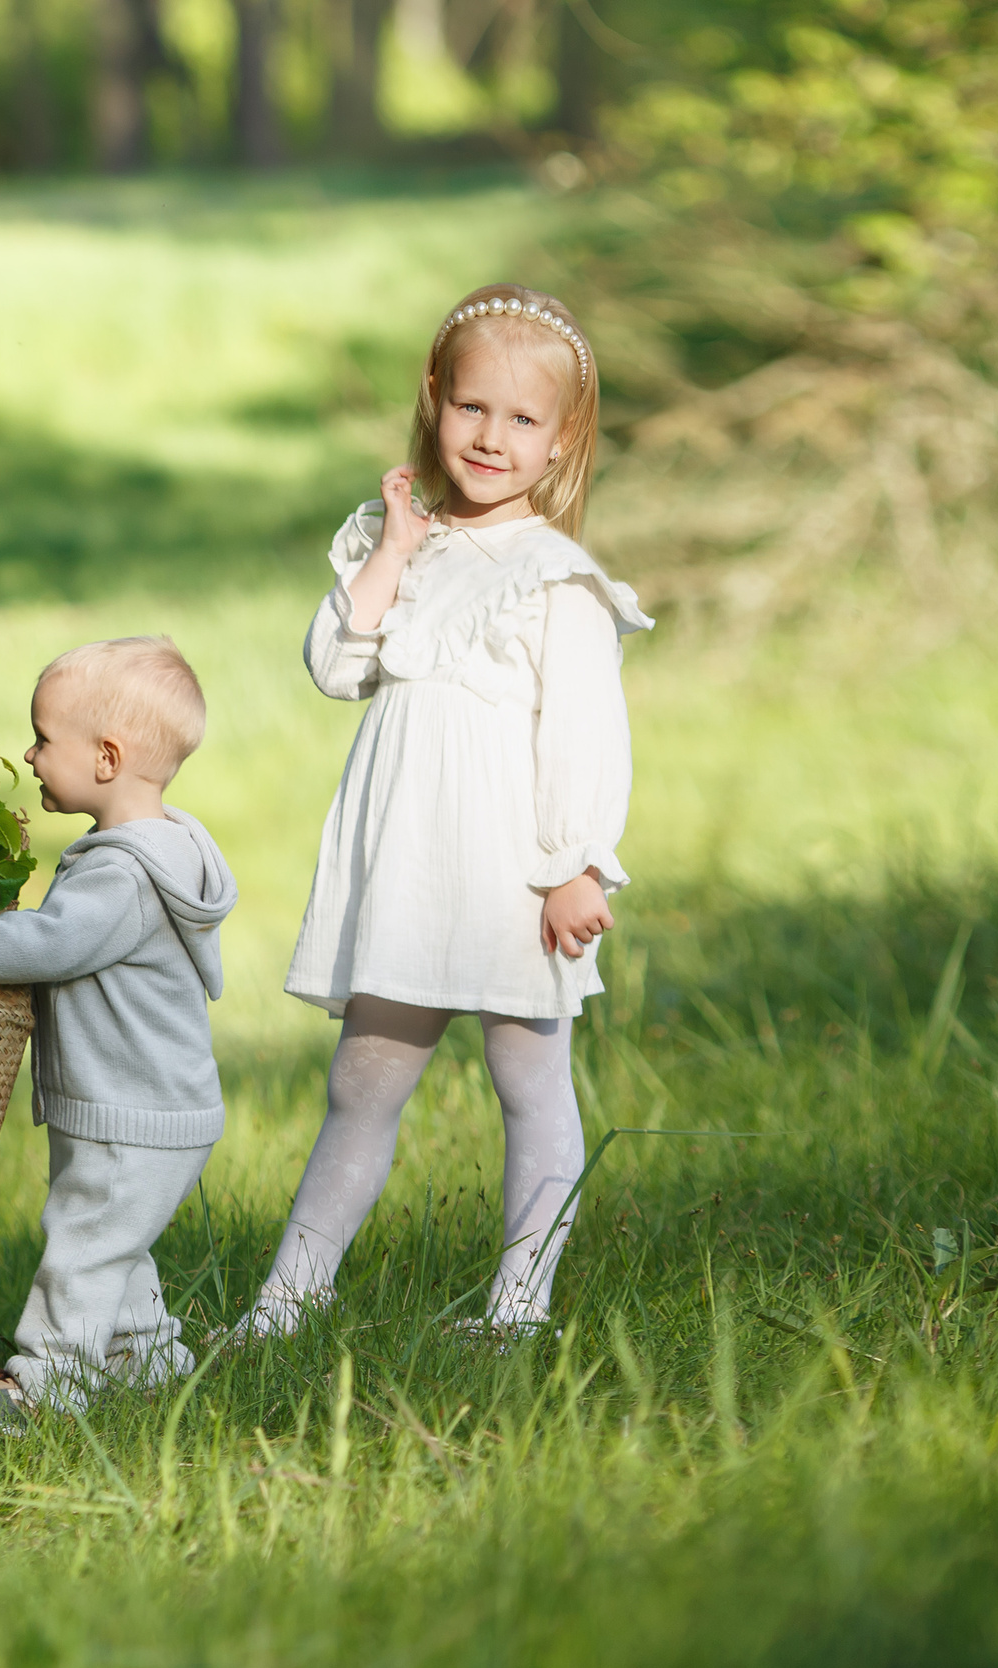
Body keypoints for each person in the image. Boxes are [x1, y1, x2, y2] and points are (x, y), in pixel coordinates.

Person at [227, 284, 652, 1344]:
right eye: (472, 409)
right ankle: (286, 1301)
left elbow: (587, 733)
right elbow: (335, 668)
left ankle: (518, 1307)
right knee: (361, 1083)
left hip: (513, 866)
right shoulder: (398, 544)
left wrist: (575, 863)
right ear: (433, 402)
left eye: (521, 420)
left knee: (529, 1080)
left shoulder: (556, 578)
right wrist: (391, 551)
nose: (490, 437)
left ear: (560, 442)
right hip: (409, 863)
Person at [0, 637, 238, 1429]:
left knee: (85, 1241)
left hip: (133, 1112)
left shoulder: (123, 873)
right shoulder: (162, 850)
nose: (28, 753)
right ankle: (148, 1360)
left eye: (42, 738)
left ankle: (44, 1385)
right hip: (142, 1108)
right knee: (110, 1242)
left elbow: (49, 944)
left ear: (106, 758)